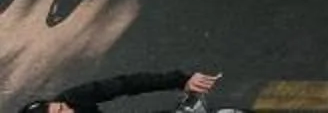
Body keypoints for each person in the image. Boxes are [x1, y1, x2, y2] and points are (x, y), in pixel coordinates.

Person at [20, 72, 218, 113]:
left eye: (61, 108)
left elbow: (126, 85)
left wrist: (181, 81)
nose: (70, 111)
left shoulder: (72, 99)